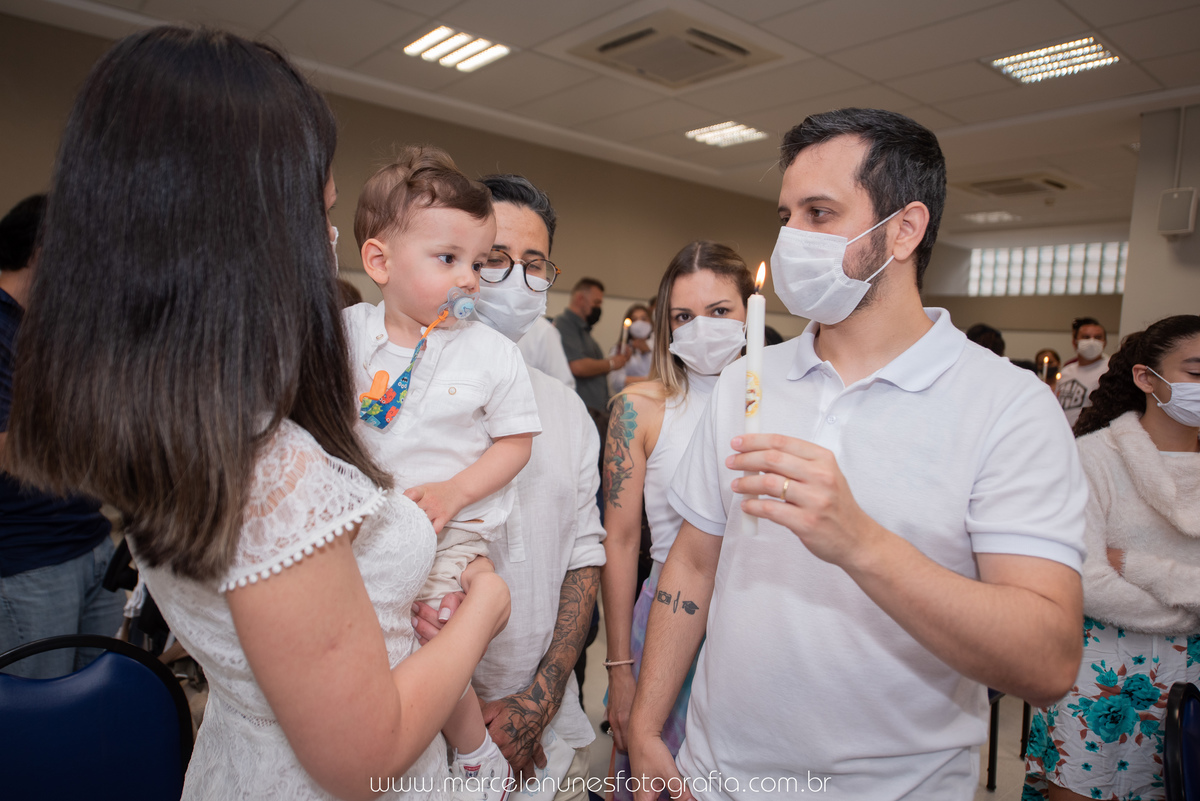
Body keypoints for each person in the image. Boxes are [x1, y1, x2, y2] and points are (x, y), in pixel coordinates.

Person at [5, 27, 509, 800]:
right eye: (321, 213)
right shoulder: (270, 472)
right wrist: (484, 609)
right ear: (249, 238)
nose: (328, 241)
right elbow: (364, 756)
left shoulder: (173, 424)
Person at [627, 108, 1088, 801]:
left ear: (903, 229)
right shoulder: (746, 382)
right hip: (712, 775)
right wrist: (645, 722)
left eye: (819, 212)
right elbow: (693, 560)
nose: (791, 239)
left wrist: (862, 541)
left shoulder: (1009, 407)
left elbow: (1048, 659)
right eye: (786, 215)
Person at [348, 146, 541, 793]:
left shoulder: (491, 353)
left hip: (446, 524)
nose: (469, 278)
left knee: (431, 629)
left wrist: (458, 490)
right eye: (447, 259)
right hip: (363, 521)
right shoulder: (346, 334)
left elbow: (516, 443)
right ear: (380, 261)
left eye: (477, 263)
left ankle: (475, 751)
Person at [413, 173, 607, 800]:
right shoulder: (394, 392)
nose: (516, 281)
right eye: (496, 259)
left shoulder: (564, 410)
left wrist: (541, 698)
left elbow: (583, 557)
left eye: (534, 265)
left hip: (542, 727)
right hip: (415, 723)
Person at [1024, 315, 1200, 801]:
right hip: (1104, 670)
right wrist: (1191, 608)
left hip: (1194, 674)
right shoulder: (1093, 458)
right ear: (1146, 378)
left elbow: (1114, 571)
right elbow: (1088, 580)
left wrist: (1136, 566)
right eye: (1197, 373)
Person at [601, 242, 752, 801]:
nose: (702, 328)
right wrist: (620, 667)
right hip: (667, 607)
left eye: (719, 312)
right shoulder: (638, 409)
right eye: (684, 316)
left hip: (752, 614)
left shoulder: (780, 405)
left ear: (749, 313)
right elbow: (619, 541)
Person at [0, 194, 126, 679]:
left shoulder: (49, 333)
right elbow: (14, 451)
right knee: (39, 718)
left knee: (95, 700)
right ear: (41, 251)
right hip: (31, 561)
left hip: (90, 541)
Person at [556, 277, 629, 422]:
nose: (598, 308)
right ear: (580, 298)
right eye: (596, 303)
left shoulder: (584, 331)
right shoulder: (565, 325)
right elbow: (577, 366)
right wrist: (612, 363)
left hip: (596, 412)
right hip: (583, 412)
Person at [1057, 317, 1110, 426]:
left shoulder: (1109, 370)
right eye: (1086, 337)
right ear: (1075, 342)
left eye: (1098, 337)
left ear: (1104, 342)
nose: (1092, 341)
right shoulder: (1066, 371)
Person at [608, 304, 654, 394]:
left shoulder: (660, 349)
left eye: (644, 319)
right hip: (628, 400)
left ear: (651, 322)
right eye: (634, 320)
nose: (639, 323)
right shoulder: (620, 349)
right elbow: (616, 381)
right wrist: (650, 380)